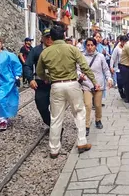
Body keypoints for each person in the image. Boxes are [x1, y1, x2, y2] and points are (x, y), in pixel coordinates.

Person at [36, 25, 100, 158]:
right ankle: (82, 142)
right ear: (64, 36)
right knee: (79, 113)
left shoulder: (45, 52)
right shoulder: (73, 49)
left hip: (56, 86)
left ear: (51, 38)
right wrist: (94, 82)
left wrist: (47, 78)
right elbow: (84, 67)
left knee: (56, 117)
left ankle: (54, 149)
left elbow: (39, 72)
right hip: (72, 84)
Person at [78, 38, 113, 137]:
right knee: (88, 105)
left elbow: (106, 69)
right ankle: (86, 126)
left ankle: (98, 119)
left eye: (91, 45)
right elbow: (77, 69)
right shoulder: (81, 57)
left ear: (95, 46)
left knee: (97, 105)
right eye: (88, 45)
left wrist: (109, 79)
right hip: (86, 85)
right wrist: (80, 75)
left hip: (98, 85)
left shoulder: (100, 56)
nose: (89, 47)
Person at [23, 29, 53, 127]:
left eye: (51, 37)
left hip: (55, 83)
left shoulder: (58, 49)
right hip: (41, 83)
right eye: (47, 37)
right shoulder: (36, 50)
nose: (49, 39)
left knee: (57, 107)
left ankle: (56, 128)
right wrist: (30, 79)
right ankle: (50, 123)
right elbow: (27, 65)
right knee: (41, 105)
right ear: (42, 38)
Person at [0, 37, 22, 131]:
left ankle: (2, 119)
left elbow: (16, 65)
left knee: (1, 98)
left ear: (2, 44)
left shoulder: (8, 55)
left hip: (6, 82)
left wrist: (17, 77)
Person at [110, 35, 128, 99]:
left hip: (126, 68)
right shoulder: (117, 48)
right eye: (123, 42)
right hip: (118, 68)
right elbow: (112, 58)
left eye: (125, 42)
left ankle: (127, 95)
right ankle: (121, 91)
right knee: (120, 82)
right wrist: (111, 67)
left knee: (126, 82)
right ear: (120, 41)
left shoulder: (128, 47)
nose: (124, 43)